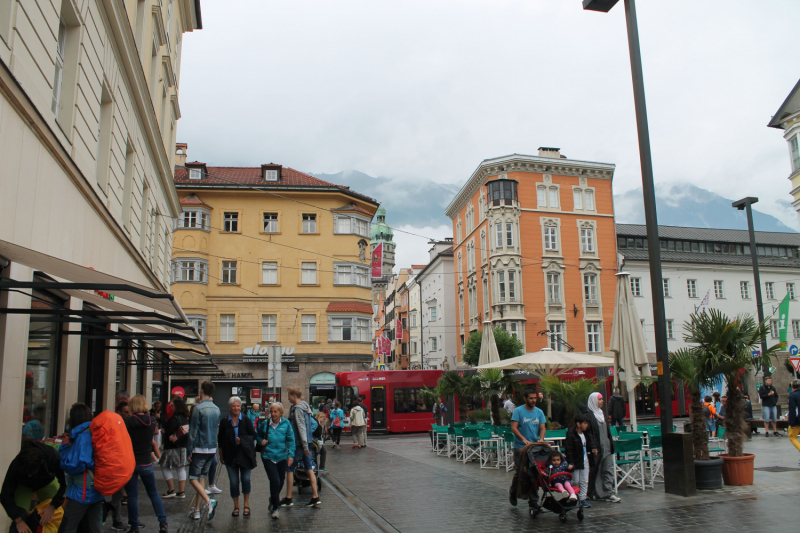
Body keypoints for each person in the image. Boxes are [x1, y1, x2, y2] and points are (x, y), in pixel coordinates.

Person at [57, 403, 105, 533]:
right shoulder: (96, 432)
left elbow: (74, 465)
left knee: (67, 527)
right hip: (97, 488)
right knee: (91, 528)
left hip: (82, 490)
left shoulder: (83, 436)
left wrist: (63, 450)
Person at [124, 395, 168, 533]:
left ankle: (134, 526)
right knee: (153, 493)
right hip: (146, 462)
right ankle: (163, 522)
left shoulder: (128, 421)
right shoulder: (151, 420)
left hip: (131, 461)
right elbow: (154, 434)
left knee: (132, 496)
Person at [1, 440, 65, 533]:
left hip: (46, 481)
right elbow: (5, 495)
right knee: (20, 515)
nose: (29, 476)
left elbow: (65, 483)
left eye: (32, 472)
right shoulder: (16, 465)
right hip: (24, 485)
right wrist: (19, 521)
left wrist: (53, 505)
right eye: (27, 473)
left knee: (57, 513)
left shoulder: (53, 456)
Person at [280, 387, 321, 508]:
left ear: (293, 396)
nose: (288, 398)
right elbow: (313, 424)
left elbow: (301, 427)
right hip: (307, 443)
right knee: (309, 468)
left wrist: (303, 444)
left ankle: (288, 498)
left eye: (288, 395)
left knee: (289, 468)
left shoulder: (298, 409)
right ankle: (315, 497)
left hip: (300, 445)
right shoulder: (306, 407)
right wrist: (308, 441)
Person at [186, 381, 220, 521]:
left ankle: (208, 501)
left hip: (199, 447)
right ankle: (197, 510)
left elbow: (193, 432)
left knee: (193, 478)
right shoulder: (217, 409)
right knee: (202, 478)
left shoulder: (198, 408)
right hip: (212, 447)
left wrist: (189, 451)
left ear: (201, 391)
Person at [218, 396, 257, 518]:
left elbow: (253, 436)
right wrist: (221, 455)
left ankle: (246, 505)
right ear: (230, 408)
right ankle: (236, 506)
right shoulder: (225, 421)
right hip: (230, 455)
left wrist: (243, 440)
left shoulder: (245, 420)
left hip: (245, 456)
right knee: (234, 482)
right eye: (234, 406)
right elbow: (220, 440)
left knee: (245, 480)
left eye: (238, 406)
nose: (236, 408)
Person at [508, 390, 547, 507]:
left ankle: (533, 500)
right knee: (520, 472)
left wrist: (541, 439)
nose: (533, 400)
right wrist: (523, 439)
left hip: (534, 447)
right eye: (531, 398)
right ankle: (513, 491)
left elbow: (543, 427)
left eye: (535, 398)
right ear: (525, 399)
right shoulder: (518, 411)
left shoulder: (539, 412)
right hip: (521, 447)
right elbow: (514, 428)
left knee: (533, 472)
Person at [257, 402, 294, 519]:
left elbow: (291, 440)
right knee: (275, 481)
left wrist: (290, 455)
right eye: (271, 411)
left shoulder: (286, 424)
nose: (272, 414)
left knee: (281, 481)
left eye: (275, 412)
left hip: (282, 456)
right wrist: (260, 441)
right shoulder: (265, 424)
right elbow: (258, 435)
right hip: (268, 456)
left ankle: (273, 498)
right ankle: (276, 507)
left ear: (280, 413)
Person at [586, 392, 620, 503]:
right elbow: (590, 433)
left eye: (602, 399)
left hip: (606, 446)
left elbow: (607, 431)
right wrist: (593, 446)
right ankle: (598, 493)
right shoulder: (589, 416)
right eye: (600, 399)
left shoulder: (602, 414)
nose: (602, 401)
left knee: (607, 469)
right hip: (597, 448)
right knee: (597, 470)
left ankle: (609, 492)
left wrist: (611, 443)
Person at [160, 398, 190, 499]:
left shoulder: (174, 418)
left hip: (171, 447)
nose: (171, 407)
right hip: (182, 446)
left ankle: (171, 489)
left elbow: (168, 431)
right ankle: (181, 491)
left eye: (172, 406)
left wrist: (165, 432)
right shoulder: (184, 418)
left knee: (164, 466)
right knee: (181, 468)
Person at [565, 413, 596, 509]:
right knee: (575, 480)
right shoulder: (571, 434)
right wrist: (570, 462)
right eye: (585, 423)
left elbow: (591, 442)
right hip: (576, 460)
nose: (587, 425)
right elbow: (569, 449)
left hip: (585, 459)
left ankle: (582, 498)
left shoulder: (586, 434)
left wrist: (593, 448)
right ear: (579, 424)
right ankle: (573, 495)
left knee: (584, 480)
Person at [787, 379, 800, 463]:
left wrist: (792, 422)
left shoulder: (792, 395)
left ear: (792, 387)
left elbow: (793, 410)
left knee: (792, 437)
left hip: (798, 420)